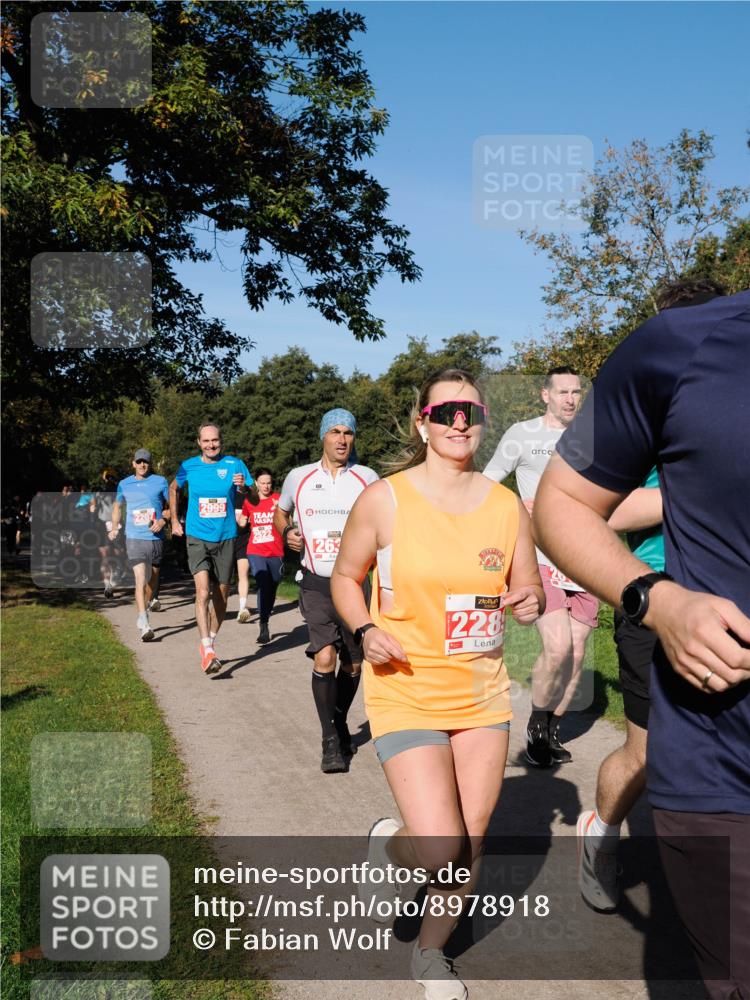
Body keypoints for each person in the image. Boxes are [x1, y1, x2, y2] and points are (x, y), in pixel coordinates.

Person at [533, 290, 750, 998]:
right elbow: (573, 502)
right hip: (663, 612)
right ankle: (602, 826)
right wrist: (660, 596)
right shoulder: (675, 355)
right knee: (646, 750)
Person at [332, 369, 543, 1000]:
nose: (460, 422)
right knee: (440, 844)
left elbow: (526, 586)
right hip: (405, 685)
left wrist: (527, 602)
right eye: (447, 411)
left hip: (481, 693)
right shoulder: (385, 499)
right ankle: (390, 847)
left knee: (468, 841)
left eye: (472, 412)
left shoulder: (506, 507)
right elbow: (346, 576)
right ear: (423, 420)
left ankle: (431, 955)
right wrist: (366, 629)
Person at [576, 279, 726, 913]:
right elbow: (596, 513)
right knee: (650, 746)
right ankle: (602, 835)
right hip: (654, 599)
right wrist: (690, 491)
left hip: (731, 599)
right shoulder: (639, 405)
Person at [483, 366, 598, 767]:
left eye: (576, 391)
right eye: (562, 391)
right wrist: (520, 513)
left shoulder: (590, 438)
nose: (570, 398)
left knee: (579, 653)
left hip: (584, 558)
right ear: (544, 395)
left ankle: (550, 729)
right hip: (540, 559)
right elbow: (488, 483)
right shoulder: (522, 434)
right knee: (558, 646)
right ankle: (535, 726)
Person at [273, 408, 378, 773]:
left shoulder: (367, 478)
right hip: (316, 582)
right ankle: (329, 740)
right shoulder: (298, 478)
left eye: (348, 433)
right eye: (335, 431)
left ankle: (338, 718)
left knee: (353, 663)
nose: (342, 439)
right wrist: (286, 532)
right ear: (323, 436)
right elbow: (280, 512)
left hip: (355, 583)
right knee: (325, 658)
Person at [170, 423, 252, 674]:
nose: (211, 445)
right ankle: (207, 649)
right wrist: (174, 520)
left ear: (221, 441)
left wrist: (244, 488)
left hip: (226, 536)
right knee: (203, 591)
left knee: (222, 594)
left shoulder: (234, 465)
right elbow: (173, 487)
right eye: (206, 441)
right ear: (199, 443)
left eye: (214, 440)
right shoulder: (188, 466)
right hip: (196, 536)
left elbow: (255, 498)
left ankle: (210, 640)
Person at [110, 449, 170, 642]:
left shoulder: (160, 481)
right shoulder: (124, 484)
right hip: (134, 537)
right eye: (139, 462)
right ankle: (144, 622)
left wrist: (162, 521)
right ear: (133, 463)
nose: (142, 465)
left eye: (145, 462)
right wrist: (114, 527)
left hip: (156, 538)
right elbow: (117, 506)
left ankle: (144, 609)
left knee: (153, 579)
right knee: (140, 579)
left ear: (149, 463)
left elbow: (172, 507)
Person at [239, 468, 284, 645]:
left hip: (276, 551)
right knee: (263, 582)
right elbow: (243, 519)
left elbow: (287, 519)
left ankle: (265, 613)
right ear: (256, 483)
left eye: (269, 483)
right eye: (263, 483)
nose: (266, 486)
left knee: (273, 584)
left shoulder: (279, 499)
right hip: (255, 550)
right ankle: (263, 625)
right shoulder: (250, 500)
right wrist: (241, 522)